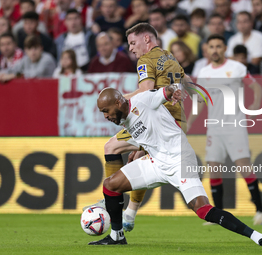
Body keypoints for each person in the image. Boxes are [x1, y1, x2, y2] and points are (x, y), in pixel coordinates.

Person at [87, 85, 262, 246]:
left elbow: (165, 92)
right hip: (156, 163)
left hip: (180, 160)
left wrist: (172, 91)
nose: (105, 116)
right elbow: (151, 132)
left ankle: (258, 237)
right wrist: (140, 150)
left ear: (118, 103)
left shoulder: (143, 100)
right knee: (110, 185)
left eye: (106, 111)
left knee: (202, 210)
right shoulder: (125, 118)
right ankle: (117, 236)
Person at [83, 23, 197, 232]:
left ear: (146, 39)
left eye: (133, 43)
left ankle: (111, 199)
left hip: (157, 120)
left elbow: (146, 91)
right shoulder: (169, 56)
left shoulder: (145, 60)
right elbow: (187, 81)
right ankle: (130, 213)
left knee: (111, 148)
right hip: (177, 120)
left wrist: (119, 99)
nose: (131, 49)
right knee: (139, 159)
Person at [187, 34, 262, 226]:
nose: (215, 50)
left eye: (218, 46)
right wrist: (188, 122)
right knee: (214, 170)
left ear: (224, 49)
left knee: (244, 166)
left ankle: (260, 211)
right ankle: (217, 216)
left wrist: (255, 105)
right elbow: (201, 100)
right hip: (214, 128)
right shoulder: (205, 72)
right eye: (211, 46)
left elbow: (256, 88)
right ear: (207, 49)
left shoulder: (236, 68)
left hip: (235, 126)